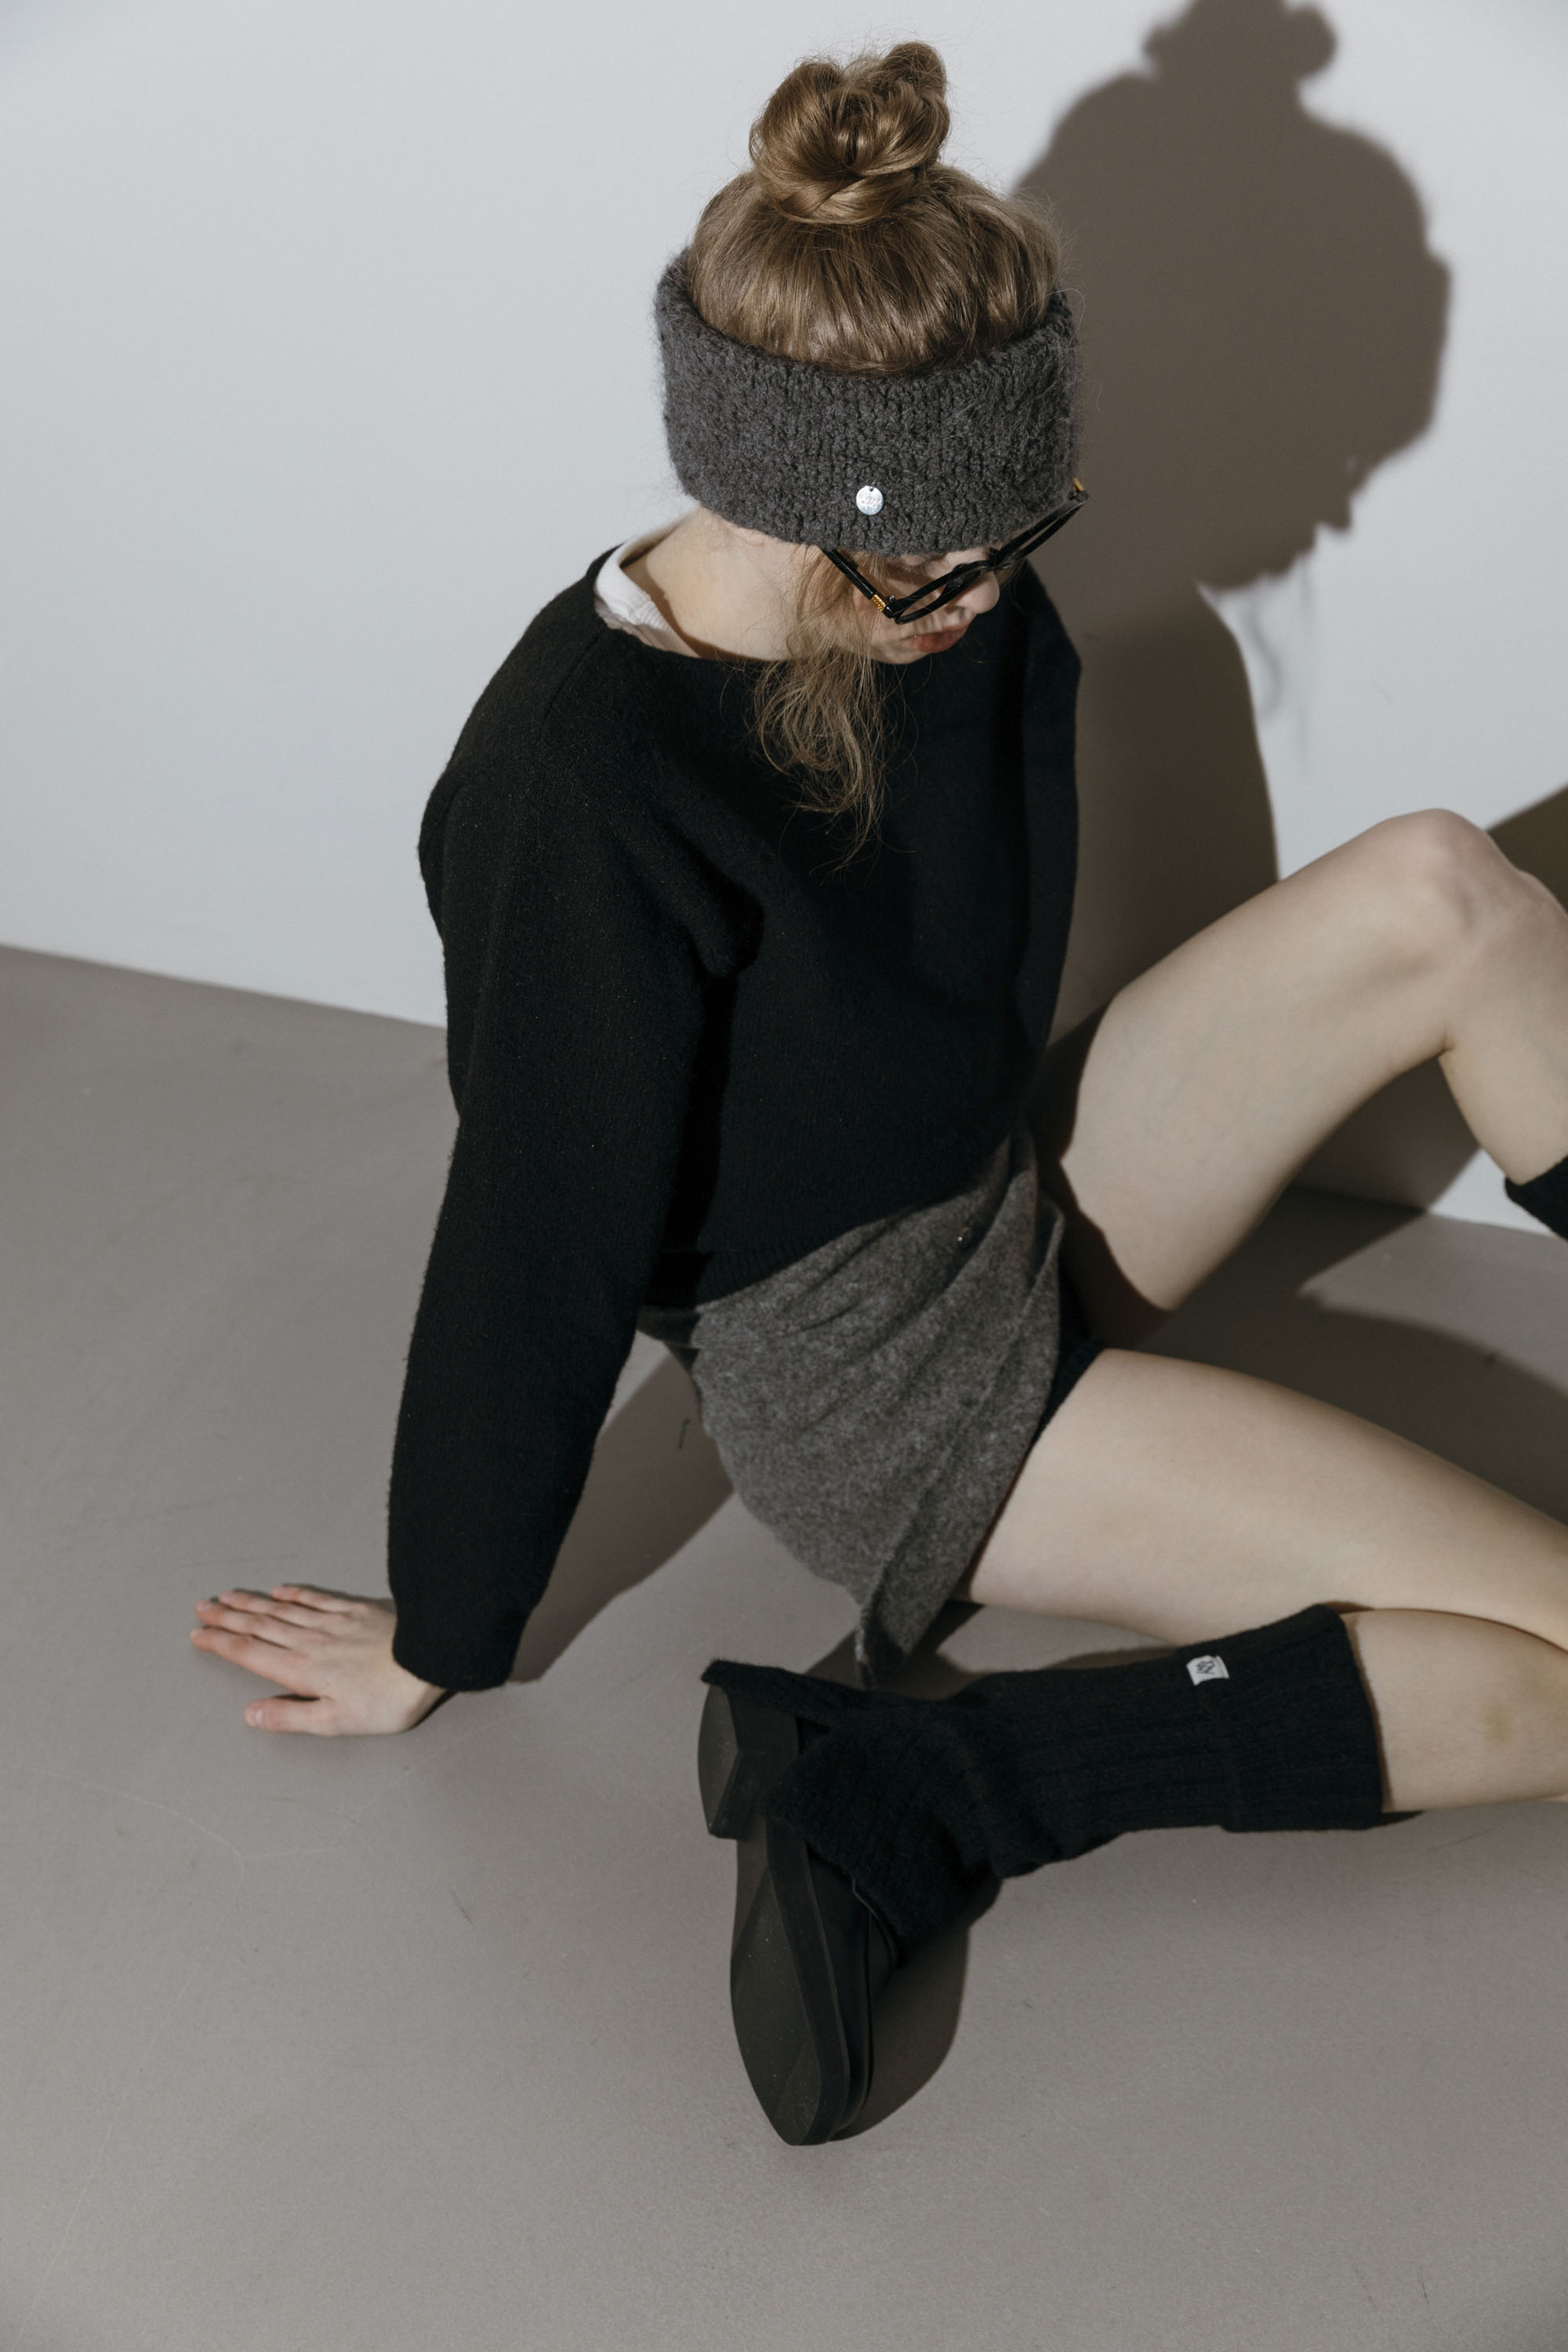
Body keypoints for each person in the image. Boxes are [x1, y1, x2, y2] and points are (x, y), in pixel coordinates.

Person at [190, 43, 1568, 2147]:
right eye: (947, 570)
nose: (998, 601)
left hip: (1003, 1196)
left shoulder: (935, 600)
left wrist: (951, 601)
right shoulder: (584, 793)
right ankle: (932, 1775)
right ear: (803, 506)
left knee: (1445, 888)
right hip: (880, 1393)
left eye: (1023, 540)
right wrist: (441, 1632)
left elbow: (946, 966)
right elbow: (534, 1245)